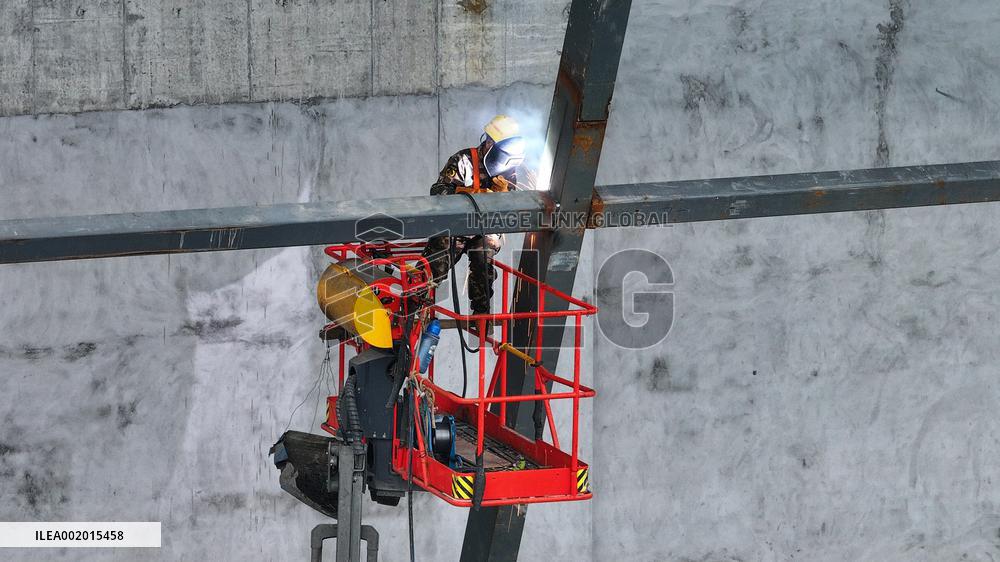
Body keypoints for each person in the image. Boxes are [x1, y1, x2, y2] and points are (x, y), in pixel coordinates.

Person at [422, 115, 526, 320]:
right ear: (489, 143)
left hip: (485, 229)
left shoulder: (509, 168)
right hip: (457, 226)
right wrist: (469, 195)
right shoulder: (462, 161)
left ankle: (481, 317)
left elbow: (514, 205)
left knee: (482, 262)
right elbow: (438, 192)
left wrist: (505, 196)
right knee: (436, 264)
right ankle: (416, 307)